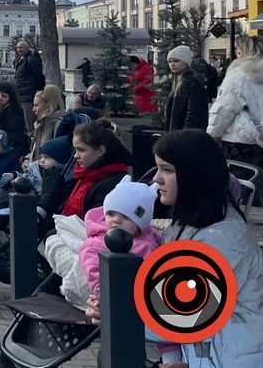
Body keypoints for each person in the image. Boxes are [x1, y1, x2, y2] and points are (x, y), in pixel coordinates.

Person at [97, 129, 263, 366]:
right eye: (158, 168)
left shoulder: (223, 239)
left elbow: (182, 317)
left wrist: (113, 312)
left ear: (194, 175)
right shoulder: (188, 227)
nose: (156, 178)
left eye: (167, 170)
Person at [45, 176, 160, 311]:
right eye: (111, 214)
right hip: (108, 298)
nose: (116, 221)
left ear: (142, 222)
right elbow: (93, 270)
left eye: (126, 217)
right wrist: (105, 296)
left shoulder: (151, 238)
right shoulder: (97, 243)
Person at [37, 119, 133, 219]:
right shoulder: (83, 175)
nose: (75, 156)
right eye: (75, 150)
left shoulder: (112, 184)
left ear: (100, 150)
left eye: (81, 150)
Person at [207, 36, 263, 166]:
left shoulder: (239, 74)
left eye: (238, 50)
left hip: (242, 141)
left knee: (243, 181)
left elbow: (224, 108)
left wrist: (213, 134)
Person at [163, 45, 208, 132]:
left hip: (186, 136)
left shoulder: (193, 84)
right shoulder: (176, 82)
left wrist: (184, 136)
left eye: (176, 61)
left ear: (185, 62)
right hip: (177, 135)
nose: (172, 64)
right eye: (170, 61)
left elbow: (193, 115)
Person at [0, 81, 30, 174]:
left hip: (9, 154)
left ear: (11, 98)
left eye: (4, 96)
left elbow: (15, 137)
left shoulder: (14, 113)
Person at [28, 85, 66, 163]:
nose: (33, 109)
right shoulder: (41, 123)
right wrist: (27, 159)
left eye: (36, 105)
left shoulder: (60, 124)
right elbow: (36, 150)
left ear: (49, 105)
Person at [14, 40, 46, 125]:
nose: (19, 49)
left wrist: (39, 90)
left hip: (28, 95)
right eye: (17, 47)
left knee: (29, 120)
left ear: (27, 48)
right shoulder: (21, 59)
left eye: (21, 47)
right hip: (22, 94)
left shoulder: (31, 59)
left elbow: (38, 76)